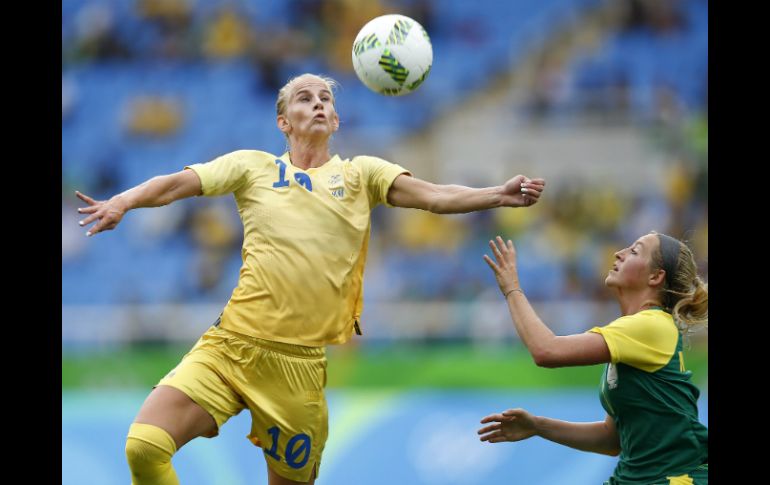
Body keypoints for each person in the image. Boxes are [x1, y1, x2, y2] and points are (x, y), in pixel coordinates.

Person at [75, 73, 546, 485]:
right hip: (230, 347)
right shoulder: (253, 167)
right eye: (305, 97)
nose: (318, 103)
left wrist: (496, 195)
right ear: (284, 121)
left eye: (326, 98)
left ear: (336, 122)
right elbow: (177, 183)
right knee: (144, 446)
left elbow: (435, 196)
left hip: (297, 368)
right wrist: (124, 200)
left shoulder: (362, 175)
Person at [477, 233, 708, 484]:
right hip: (636, 478)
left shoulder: (651, 326)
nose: (619, 252)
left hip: (673, 478)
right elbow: (611, 439)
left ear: (655, 276)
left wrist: (512, 288)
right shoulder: (632, 333)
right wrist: (537, 426)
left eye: (634, 251)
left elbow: (546, 350)